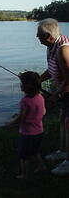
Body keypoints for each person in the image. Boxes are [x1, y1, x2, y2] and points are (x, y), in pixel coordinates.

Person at [37, 18, 69, 175]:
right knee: (63, 119)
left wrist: (57, 94)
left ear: (49, 36)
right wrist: (39, 79)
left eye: (39, 35)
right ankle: (63, 151)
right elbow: (52, 68)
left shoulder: (64, 49)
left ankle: (68, 163)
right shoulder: (51, 46)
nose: (37, 37)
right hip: (64, 91)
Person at [6, 71, 46, 179]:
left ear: (25, 87)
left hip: (28, 133)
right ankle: (42, 166)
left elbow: (21, 118)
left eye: (22, 83)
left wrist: (10, 124)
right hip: (39, 131)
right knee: (35, 151)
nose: (20, 85)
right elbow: (44, 112)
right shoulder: (40, 97)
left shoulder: (25, 101)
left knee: (23, 155)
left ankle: (25, 175)